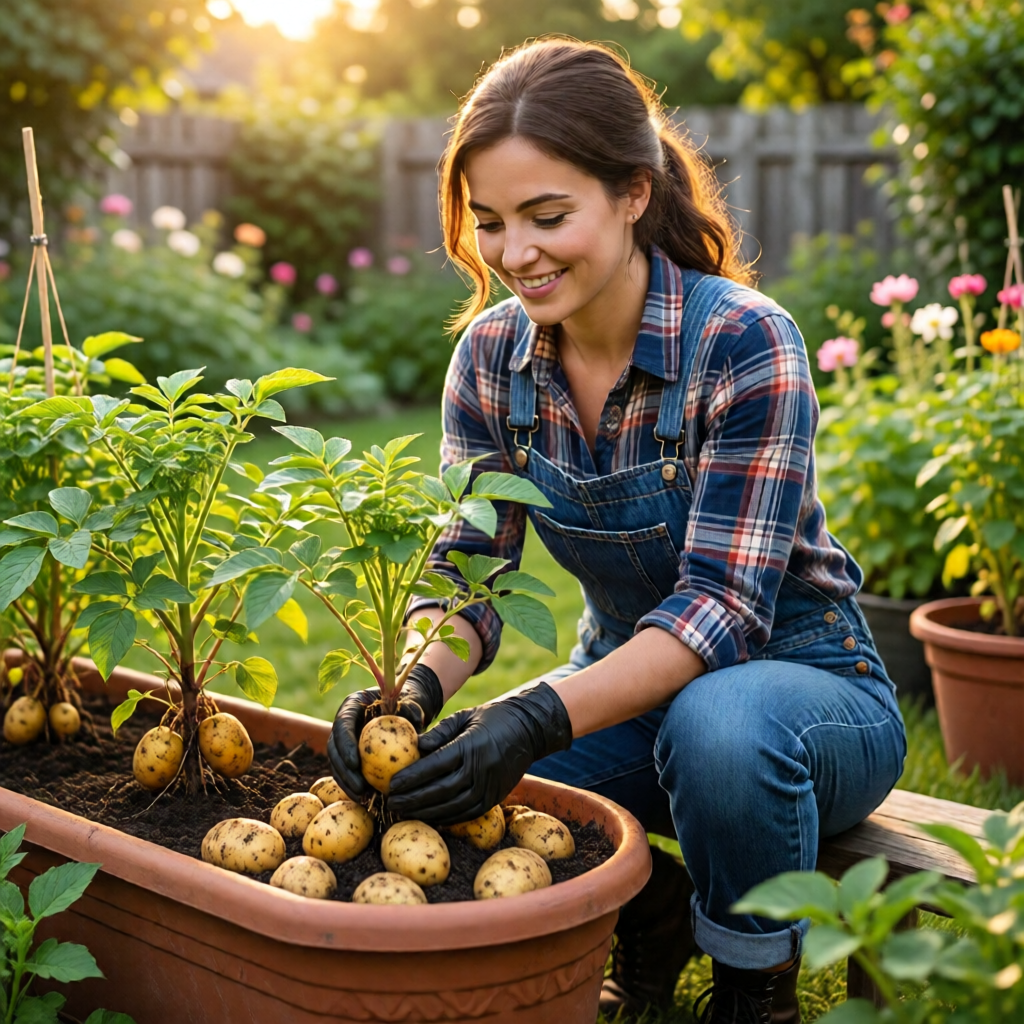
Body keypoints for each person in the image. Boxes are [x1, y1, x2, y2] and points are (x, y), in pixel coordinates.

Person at [327, 38, 907, 1024]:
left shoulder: (742, 342)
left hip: (806, 699)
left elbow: (721, 612)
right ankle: (649, 915)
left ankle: (752, 991)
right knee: (441, 780)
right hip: (626, 693)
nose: (516, 255)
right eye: (492, 224)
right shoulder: (489, 362)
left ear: (634, 193)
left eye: (549, 217)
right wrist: (414, 690)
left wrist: (536, 715)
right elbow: (469, 564)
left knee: (717, 722)